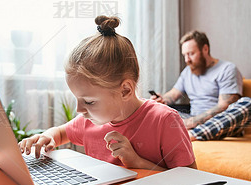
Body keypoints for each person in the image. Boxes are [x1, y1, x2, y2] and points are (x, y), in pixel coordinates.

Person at [18, 15, 196, 171]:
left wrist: (138, 162)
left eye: (88, 101)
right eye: (77, 99)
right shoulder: (89, 121)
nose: (79, 109)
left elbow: (191, 181)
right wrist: (46, 137)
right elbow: (60, 133)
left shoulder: (164, 121)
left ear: (125, 90)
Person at [151, 30, 251, 141]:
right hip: (191, 119)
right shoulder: (187, 72)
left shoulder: (227, 69)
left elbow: (224, 106)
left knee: (249, 105)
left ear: (205, 49)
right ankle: (188, 131)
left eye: (191, 54)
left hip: (220, 123)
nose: (187, 60)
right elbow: (172, 95)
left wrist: (191, 122)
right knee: (156, 110)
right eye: (185, 55)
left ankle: (190, 135)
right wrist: (161, 100)